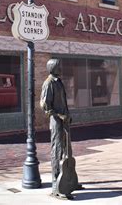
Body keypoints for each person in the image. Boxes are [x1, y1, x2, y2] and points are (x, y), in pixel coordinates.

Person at [40, 58, 83, 200]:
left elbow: (63, 102)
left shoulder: (59, 82)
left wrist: (67, 115)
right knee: (57, 150)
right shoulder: (49, 83)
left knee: (67, 150)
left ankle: (69, 179)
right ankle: (57, 183)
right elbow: (45, 106)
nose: (61, 69)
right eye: (59, 67)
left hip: (64, 120)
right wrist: (60, 116)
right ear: (53, 68)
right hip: (56, 122)